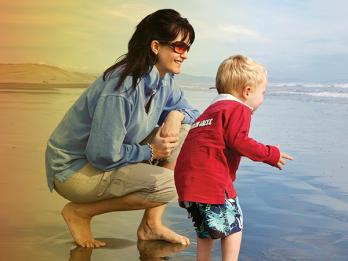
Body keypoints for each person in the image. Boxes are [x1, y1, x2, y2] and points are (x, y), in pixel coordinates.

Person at [45, 9, 200, 248]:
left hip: (104, 159)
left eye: (188, 48)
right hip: (75, 171)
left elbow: (195, 114)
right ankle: (81, 212)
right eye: (180, 47)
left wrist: (176, 115)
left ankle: (151, 225)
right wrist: (150, 152)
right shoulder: (122, 88)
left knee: (184, 132)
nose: (185, 55)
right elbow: (102, 155)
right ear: (156, 46)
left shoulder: (164, 80)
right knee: (175, 184)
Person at [174, 55, 294, 260]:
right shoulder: (238, 109)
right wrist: (270, 154)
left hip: (188, 184)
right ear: (247, 91)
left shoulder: (210, 111)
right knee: (234, 226)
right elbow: (239, 141)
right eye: (262, 92)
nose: (262, 98)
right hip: (212, 182)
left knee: (206, 229)